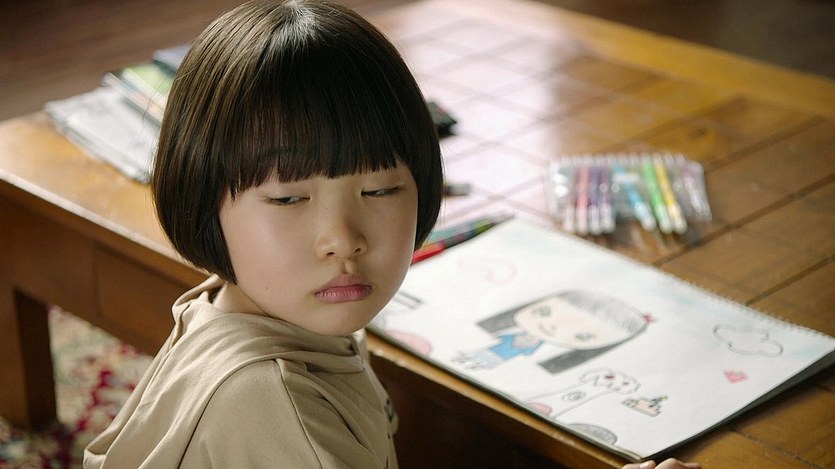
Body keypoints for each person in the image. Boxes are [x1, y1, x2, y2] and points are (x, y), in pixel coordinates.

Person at [83, 1, 701, 468]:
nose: (342, 239)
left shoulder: (253, 309)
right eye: (288, 198)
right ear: (201, 200)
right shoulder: (273, 403)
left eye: (379, 190)